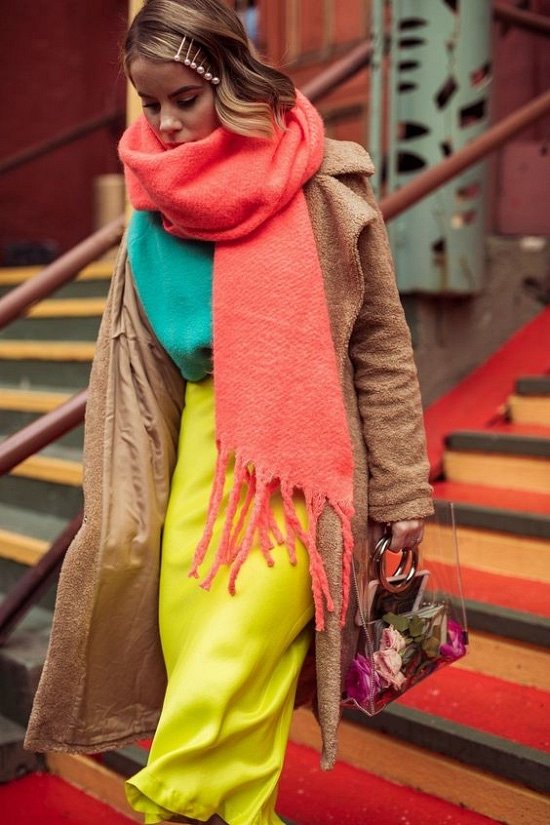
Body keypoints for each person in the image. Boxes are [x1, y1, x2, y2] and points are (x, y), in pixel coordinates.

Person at [25, 1, 433, 823]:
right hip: (196, 470)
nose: (166, 123)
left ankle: (165, 807)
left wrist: (402, 493)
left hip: (300, 465)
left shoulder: (325, 187)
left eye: (185, 98)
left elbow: (383, 351)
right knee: (212, 666)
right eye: (151, 103)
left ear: (232, 80)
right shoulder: (152, 208)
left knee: (229, 661)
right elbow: (141, 376)